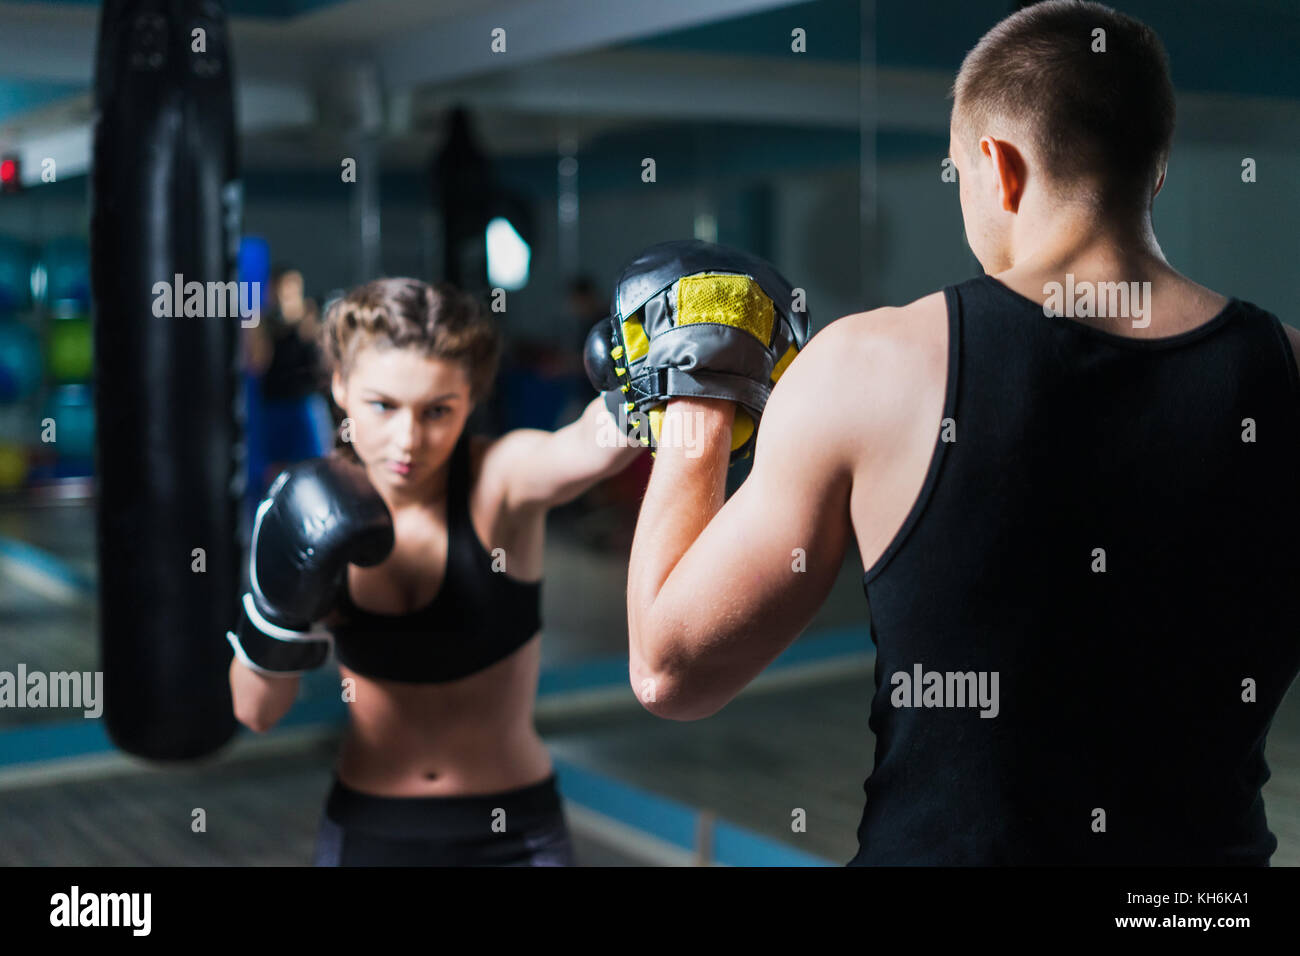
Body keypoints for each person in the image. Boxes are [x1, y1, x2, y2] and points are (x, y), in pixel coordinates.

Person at [615, 0, 1300, 865]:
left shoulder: (870, 366)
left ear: (998, 168)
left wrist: (700, 392)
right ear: (1154, 171)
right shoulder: (1289, 374)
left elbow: (668, 672)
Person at [227, 277, 642, 865]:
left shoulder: (499, 480)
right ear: (341, 387)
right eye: (383, 406)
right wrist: (275, 607)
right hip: (372, 832)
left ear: (470, 399)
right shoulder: (312, 507)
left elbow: (583, 448)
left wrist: (650, 377)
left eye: (437, 411)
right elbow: (256, 712)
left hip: (515, 833)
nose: (408, 440)